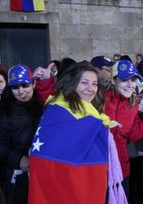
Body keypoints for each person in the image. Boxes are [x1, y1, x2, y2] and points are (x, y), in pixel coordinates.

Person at [28, 61, 125, 204]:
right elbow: (54, 153)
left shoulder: (91, 110)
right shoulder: (57, 109)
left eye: (94, 84)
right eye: (84, 83)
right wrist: (97, 126)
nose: (91, 88)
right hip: (60, 190)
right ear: (72, 83)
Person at [104, 60, 143, 198]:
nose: (130, 84)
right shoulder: (99, 98)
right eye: (124, 80)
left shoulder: (132, 104)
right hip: (100, 167)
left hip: (121, 168)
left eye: (133, 80)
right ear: (113, 80)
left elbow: (133, 135)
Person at [0, 65, 45, 204]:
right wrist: (19, 159)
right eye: (15, 87)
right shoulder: (5, 112)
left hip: (42, 171)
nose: (21, 91)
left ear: (33, 84)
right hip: (18, 176)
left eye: (25, 85)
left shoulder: (43, 106)